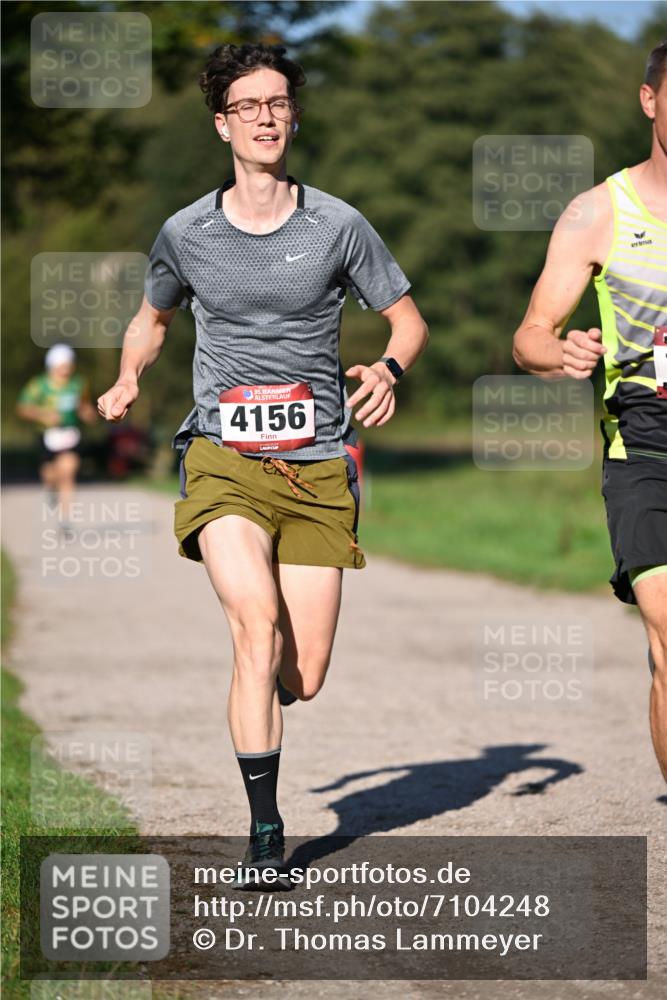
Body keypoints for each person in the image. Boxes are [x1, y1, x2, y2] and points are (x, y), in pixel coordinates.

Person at [97, 43, 429, 881]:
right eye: (247, 106)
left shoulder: (337, 225)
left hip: (315, 467)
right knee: (255, 626)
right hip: (224, 459)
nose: (265, 118)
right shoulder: (186, 232)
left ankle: (272, 688)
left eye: (278, 102)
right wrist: (128, 376)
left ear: (294, 116)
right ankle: (266, 835)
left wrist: (389, 369)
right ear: (222, 124)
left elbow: (407, 321)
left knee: (302, 673)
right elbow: (152, 319)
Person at [513, 39, 667, 783]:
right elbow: (529, 336)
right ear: (649, 100)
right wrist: (560, 352)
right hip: (645, 446)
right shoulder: (598, 212)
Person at [17, 343, 96, 529]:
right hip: (47, 436)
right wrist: (43, 415)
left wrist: (89, 414)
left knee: (68, 472)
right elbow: (23, 408)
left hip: (70, 434)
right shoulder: (39, 385)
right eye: (62, 365)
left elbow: (83, 405)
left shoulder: (78, 383)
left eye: (68, 364)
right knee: (50, 475)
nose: (66, 369)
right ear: (52, 365)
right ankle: (51, 489)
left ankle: (65, 519)